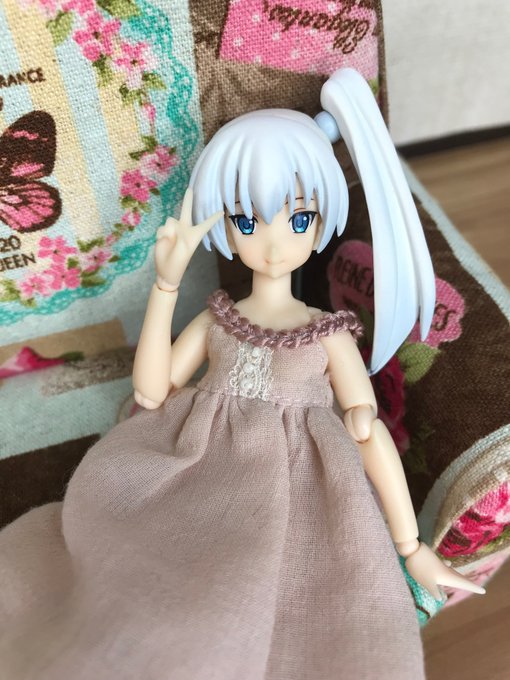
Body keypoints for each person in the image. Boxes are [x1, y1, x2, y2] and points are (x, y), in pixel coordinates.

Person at [0, 68, 483, 680]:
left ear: (320, 220)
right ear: (225, 223)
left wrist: (411, 546)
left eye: (299, 220)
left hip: (295, 488)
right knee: (141, 585)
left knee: (280, 609)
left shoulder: (326, 333)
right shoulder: (219, 318)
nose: (275, 246)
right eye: (249, 223)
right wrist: (166, 285)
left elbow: (365, 429)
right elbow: (151, 391)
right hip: (191, 465)